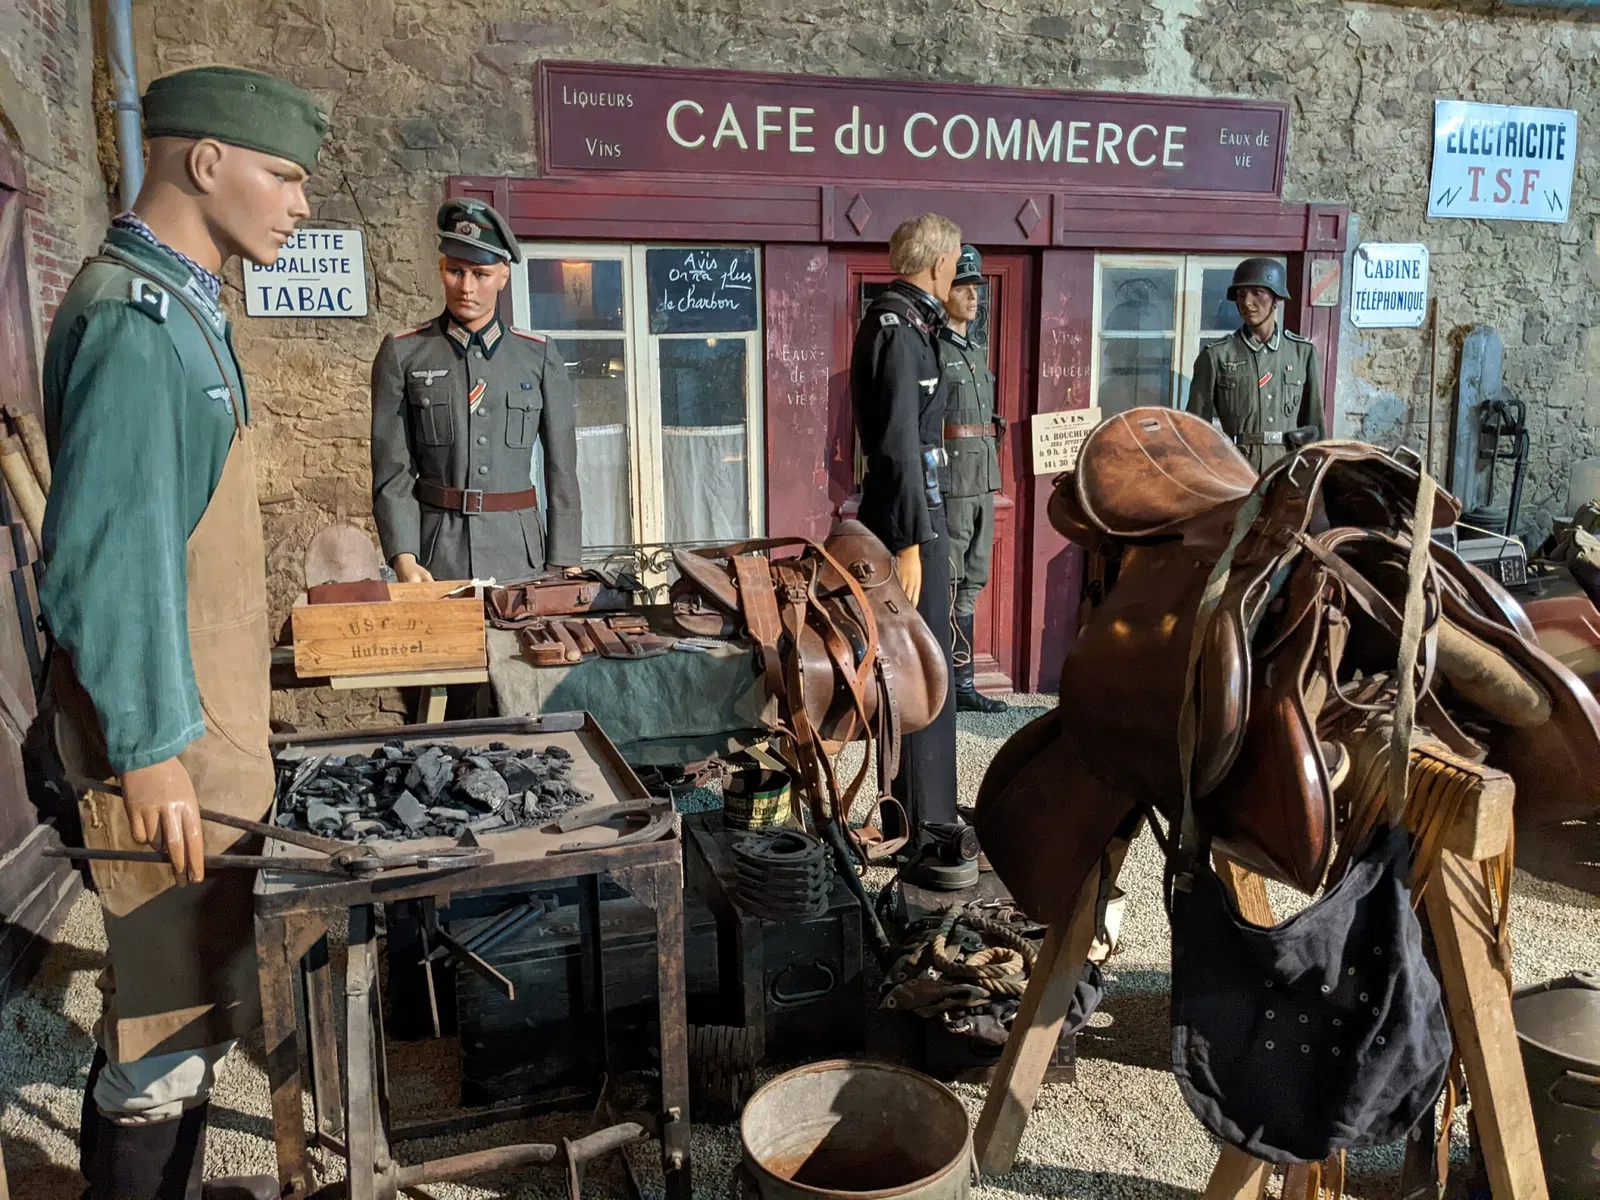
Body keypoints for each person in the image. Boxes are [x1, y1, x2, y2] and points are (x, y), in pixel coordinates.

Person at [40, 66, 328, 1200]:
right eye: (285, 175)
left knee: (194, 1012)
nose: (301, 204)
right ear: (204, 163)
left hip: (205, 741)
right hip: (166, 754)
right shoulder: (137, 325)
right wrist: (151, 750)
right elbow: (108, 562)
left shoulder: (186, 309)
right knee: (160, 1039)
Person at [850, 213, 973, 890]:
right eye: (955, 259)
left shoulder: (910, 320)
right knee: (921, 672)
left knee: (923, 673)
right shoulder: (897, 327)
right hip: (909, 521)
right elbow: (896, 445)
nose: (958, 270)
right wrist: (908, 541)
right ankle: (922, 829)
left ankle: (924, 815)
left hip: (922, 512)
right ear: (939, 260)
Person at [371, 199, 581, 583]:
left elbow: (561, 467)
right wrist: (403, 556)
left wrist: (565, 558)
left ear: (504, 276)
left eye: (480, 274)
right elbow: (393, 469)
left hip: (521, 558)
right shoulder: (404, 353)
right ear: (441, 269)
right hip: (437, 557)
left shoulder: (538, 356)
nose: (466, 287)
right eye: (455, 271)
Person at [937, 246, 1008, 715]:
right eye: (963, 288)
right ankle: (942, 685)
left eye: (976, 290)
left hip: (983, 482)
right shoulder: (932, 350)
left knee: (974, 580)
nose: (972, 297)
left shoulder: (975, 353)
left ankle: (964, 684)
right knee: (947, 579)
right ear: (944, 295)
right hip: (953, 482)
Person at [1186, 257, 1324, 473]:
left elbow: (1314, 425)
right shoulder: (1217, 355)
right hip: (1236, 467)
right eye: (1241, 295)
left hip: (1288, 468)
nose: (1247, 302)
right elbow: (1196, 428)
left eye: (1257, 292)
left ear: (1276, 297)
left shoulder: (1301, 353)